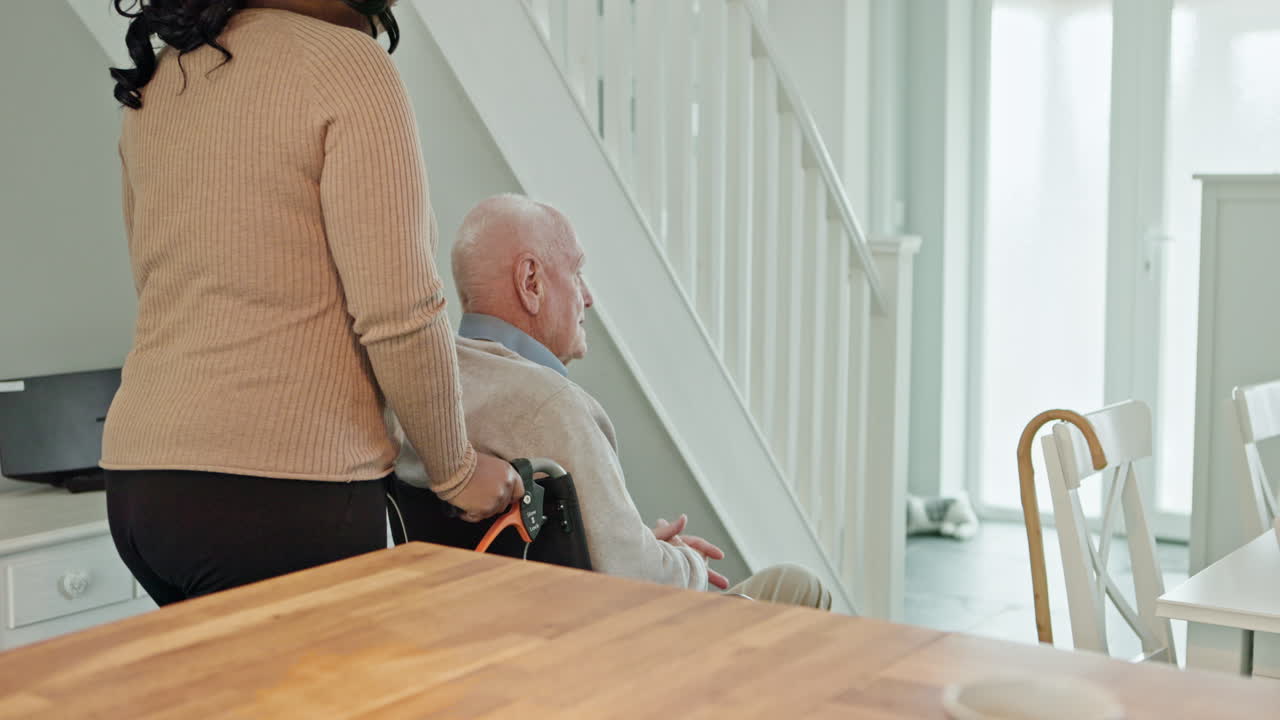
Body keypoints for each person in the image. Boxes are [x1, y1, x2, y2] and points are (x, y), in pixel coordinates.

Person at [100, 0, 522, 606]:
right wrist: (454, 470)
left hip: (141, 483)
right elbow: (400, 311)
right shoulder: (346, 65)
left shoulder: (163, 78)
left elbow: (163, 289)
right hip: (276, 495)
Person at [392, 195, 833, 609]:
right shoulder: (550, 406)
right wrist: (684, 560)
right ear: (531, 282)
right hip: (609, 650)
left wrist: (638, 542)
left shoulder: (424, 386)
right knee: (799, 586)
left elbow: (594, 553)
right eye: (577, 273)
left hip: (490, 628)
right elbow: (639, 579)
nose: (588, 297)